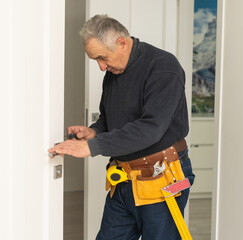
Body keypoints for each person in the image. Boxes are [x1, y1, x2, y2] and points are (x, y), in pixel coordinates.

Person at [48, 14, 195, 240]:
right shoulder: (114, 70)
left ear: (122, 44)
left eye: (102, 58)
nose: (100, 67)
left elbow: (150, 129)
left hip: (164, 176)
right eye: (95, 60)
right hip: (125, 177)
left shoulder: (163, 67)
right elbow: (109, 118)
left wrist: (93, 146)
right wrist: (94, 132)